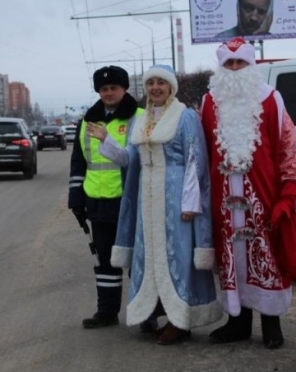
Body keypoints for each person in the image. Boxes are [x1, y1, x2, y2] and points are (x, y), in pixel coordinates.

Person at [94, 65, 223, 345]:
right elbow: (131, 159)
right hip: (147, 202)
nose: (155, 87)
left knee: (177, 257)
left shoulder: (185, 116)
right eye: (150, 82)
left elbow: (196, 162)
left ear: (171, 87)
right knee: (150, 257)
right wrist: (107, 142)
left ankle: (181, 320)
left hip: (176, 200)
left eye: (161, 83)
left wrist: (192, 202)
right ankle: (153, 312)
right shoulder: (142, 121)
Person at [199, 37, 296, 349]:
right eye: (228, 64)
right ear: (220, 67)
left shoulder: (271, 100)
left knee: (267, 257)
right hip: (224, 201)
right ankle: (238, 322)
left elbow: (290, 146)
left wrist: (288, 195)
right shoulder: (209, 102)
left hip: (263, 196)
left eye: (240, 63)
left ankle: (271, 324)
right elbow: (202, 152)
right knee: (232, 258)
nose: (234, 69)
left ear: (251, 65)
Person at [68, 65, 144, 329]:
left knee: (137, 260)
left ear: (124, 89)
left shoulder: (140, 117)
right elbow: (79, 163)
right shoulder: (88, 122)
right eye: (103, 89)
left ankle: (145, 314)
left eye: (114, 88)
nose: (109, 92)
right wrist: (75, 198)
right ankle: (107, 312)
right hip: (98, 203)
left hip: (131, 202)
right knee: (104, 261)